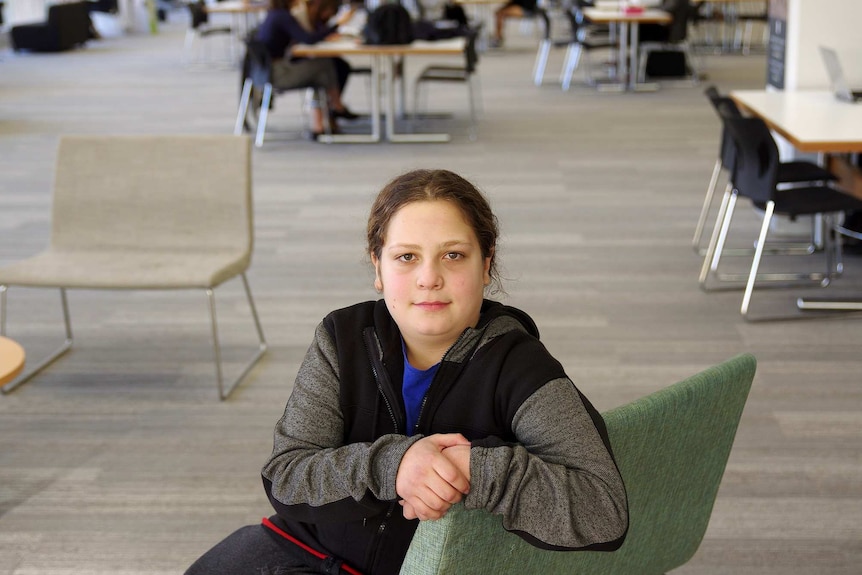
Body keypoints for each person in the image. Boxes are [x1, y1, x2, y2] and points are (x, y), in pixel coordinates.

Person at [185, 169, 629, 575]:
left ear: (486, 263)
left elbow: (602, 510)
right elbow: (287, 474)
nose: (429, 278)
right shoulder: (342, 338)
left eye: (453, 255)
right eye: (406, 257)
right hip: (301, 548)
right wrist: (394, 466)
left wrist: (473, 467)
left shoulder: (518, 364)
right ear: (377, 265)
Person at [255, 0, 359, 139]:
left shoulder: (274, 14)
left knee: (323, 69)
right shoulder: (284, 17)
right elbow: (308, 39)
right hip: (279, 74)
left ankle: (320, 124)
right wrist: (338, 24)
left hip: (265, 72)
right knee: (325, 65)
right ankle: (336, 107)